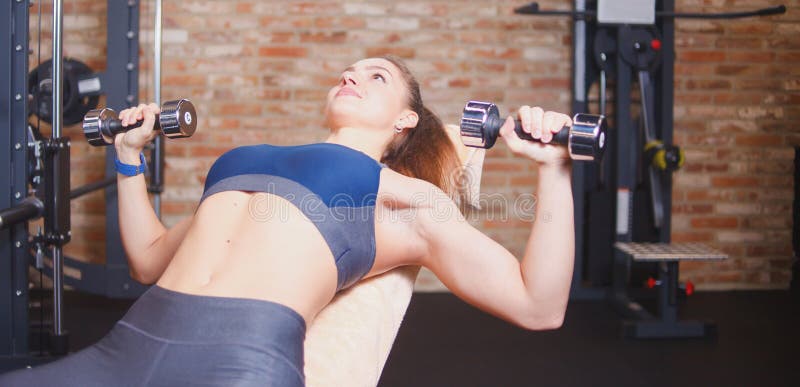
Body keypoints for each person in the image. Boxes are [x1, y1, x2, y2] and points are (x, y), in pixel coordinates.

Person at [0, 55, 574, 386]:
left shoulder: (402, 199)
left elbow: (538, 305)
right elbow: (150, 260)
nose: (353, 76)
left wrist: (554, 170)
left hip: (239, 363)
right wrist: (128, 157)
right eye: (350, 70)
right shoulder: (245, 159)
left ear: (406, 119)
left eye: (377, 77)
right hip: (124, 348)